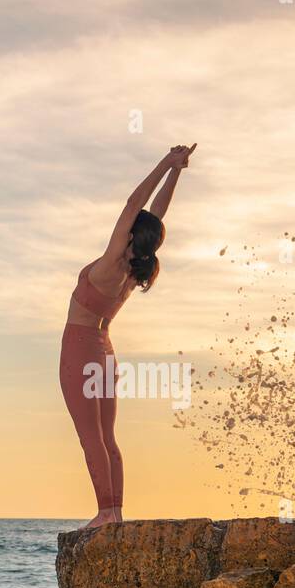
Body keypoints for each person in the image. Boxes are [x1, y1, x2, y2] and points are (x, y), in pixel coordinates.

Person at [59, 143, 196, 528]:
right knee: (107, 437)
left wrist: (165, 163)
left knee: (91, 438)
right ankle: (114, 512)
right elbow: (156, 214)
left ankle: (105, 513)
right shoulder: (135, 270)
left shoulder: (111, 264)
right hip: (106, 353)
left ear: (130, 236)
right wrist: (177, 172)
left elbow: (134, 204)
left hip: (81, 349)